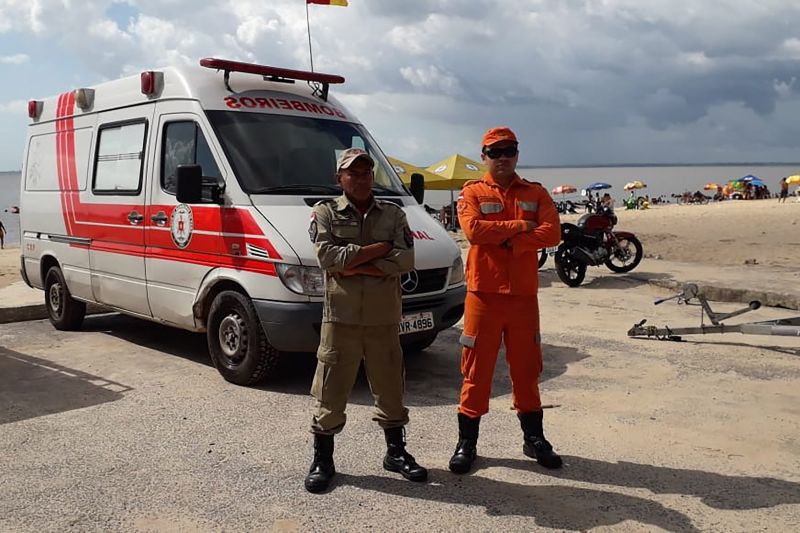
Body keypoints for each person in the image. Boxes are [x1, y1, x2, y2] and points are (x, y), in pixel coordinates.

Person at [304, 148, 427, 493]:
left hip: (382, 318)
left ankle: (395, 453)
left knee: (390, 387)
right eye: (353, 173)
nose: (360, 179)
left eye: (366, 173)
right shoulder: (324, 212)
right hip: (339, 319)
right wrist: (378, 250)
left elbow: (406, 261)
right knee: (330, 390)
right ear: (339, 178)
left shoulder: (393, 213)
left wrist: (354, 264)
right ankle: (323, 460)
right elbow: (328, 257)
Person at [449, 127, 562, 475]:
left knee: (527, 369)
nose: (503, 158)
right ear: (483, 156)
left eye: (508, 151)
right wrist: (521, 227)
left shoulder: (536, 192)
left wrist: (513, 239)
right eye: (495, 152)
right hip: (483, 296)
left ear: (517, 154)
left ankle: (534, 439)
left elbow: (553, 232)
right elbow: (473, 231)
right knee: (475, 371)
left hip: (523, 298)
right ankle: (467, 443)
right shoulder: (472, 192)